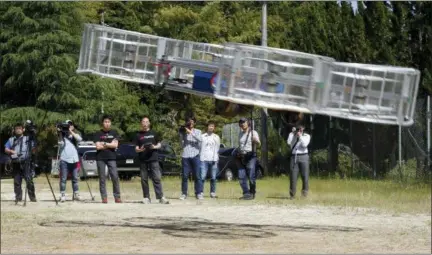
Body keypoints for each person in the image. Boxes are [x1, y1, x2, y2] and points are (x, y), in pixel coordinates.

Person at [134, 116, 169, 204]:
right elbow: (136, 148)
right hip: (143, 159)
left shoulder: (154, 133)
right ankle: (146, 197)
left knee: (156, 178)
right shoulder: (138, 135)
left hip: (153, 158)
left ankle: (160, 197)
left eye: (146, 122)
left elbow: (159, 144)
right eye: (143, 122)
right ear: (141, 123)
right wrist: (140, 149)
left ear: (149, 123)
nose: (145, 123)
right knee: (144, 179)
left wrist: (154, 147)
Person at [4, 123, 37, 202]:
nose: (18, 130)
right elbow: (6, 149)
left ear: (23, 130)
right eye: (16, 128)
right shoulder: (11, 139)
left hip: (26, 162)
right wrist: (10, 151)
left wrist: (33, 151)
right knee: (17, 181)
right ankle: (18, 198)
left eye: (20, 128)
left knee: (29, 180)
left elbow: (34, 148)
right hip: (15, 162)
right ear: (14, 130)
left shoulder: (28, 138)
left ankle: (32, 197)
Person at [93, 115, 122, 203]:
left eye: (108, 122)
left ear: (110, 123)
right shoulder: (97, 133)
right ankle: (104, 197)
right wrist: (110, 144)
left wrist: (104, 143)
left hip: (111, 157)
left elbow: (115, 145)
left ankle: (117, 197)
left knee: (115, 176)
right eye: (105, 122)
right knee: (102, 178)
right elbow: (98, 147)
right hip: (100, 158)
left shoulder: (114, 132)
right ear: (102, 123)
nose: (107, 123)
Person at [57, 120, 83, 202]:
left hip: (74, 159)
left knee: (75, 178)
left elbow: (79, 139)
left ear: (72, 126)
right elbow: (60, 144)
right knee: (63, 178)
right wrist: (60, 132)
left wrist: (71, 131)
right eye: (67, 125)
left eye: (70, 125)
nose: (68, 126)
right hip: (64, 159)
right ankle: (62, 194)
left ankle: (76, 194)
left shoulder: (75, 134)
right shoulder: (62, 134)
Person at [235, 117, 260, 200]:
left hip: (251, 156)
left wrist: (255, 140)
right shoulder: (240, 134)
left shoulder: (253, 132)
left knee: (251, 175)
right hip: (242, 156)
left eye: (244, 122)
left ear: (248, 123)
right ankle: (246, 193)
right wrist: (238, 152)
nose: (242, 124)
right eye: (240, 122)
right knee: (241, 175)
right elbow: (240, 146)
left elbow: (258, 143)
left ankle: (252, 193)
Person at [179, 116, 203, 200]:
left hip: (195, 155)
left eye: (192, 122)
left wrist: (190, 133)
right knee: (185, 176)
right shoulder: (183, 132)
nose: (191, 123)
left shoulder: (198, 131)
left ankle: (199, 193)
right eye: (189, 122)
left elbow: (200, 140)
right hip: (185, 156)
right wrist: (182, 135)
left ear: (194, 123)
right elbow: (181, 145)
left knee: (197, 175)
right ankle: (184, 193)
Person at [287, 125, 311, 199]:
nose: (299, 129)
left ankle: (304, 195)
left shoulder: (307, 136)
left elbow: (304, 144)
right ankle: (292, 195)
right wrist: (294, 134)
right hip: (294, 157)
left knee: (305, 176)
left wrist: (300, 136)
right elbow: (289, 143)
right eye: (298, 128)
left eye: (300, 128)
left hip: (304, 156)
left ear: (303, 128)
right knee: (293, 177)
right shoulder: (291, 134)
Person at [199, 121, 220, 199]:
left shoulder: (216, 137)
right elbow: (199, 147)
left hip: (214, 159)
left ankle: (212, 192)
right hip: (204, 159)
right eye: (209, 126)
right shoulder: (202, 136)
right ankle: (200, 192)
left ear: (214, 128)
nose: (211, 127)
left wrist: (216, 158)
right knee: (202, 176)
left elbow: (217, 148)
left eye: (212, 126)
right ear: (207, 127)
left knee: (213, 177)